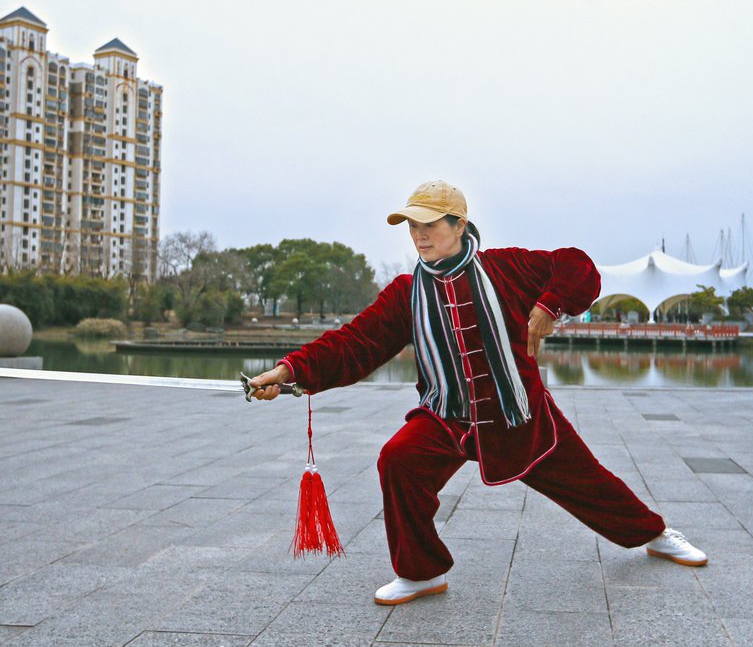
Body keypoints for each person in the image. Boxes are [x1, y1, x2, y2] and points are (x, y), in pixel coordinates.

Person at [249, 180, 706, 606]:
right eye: (412, 226)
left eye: (429, 224)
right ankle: (422, 571)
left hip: (519, 414)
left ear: (459, 225)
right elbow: (355, 342)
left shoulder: (507, 268)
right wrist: (290, 369)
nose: (419, 235)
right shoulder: (406, 292)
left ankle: (656, 533)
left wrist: (550, 304)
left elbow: (577, 265)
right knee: (399, 459)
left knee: (591, 483)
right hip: (447, 416)